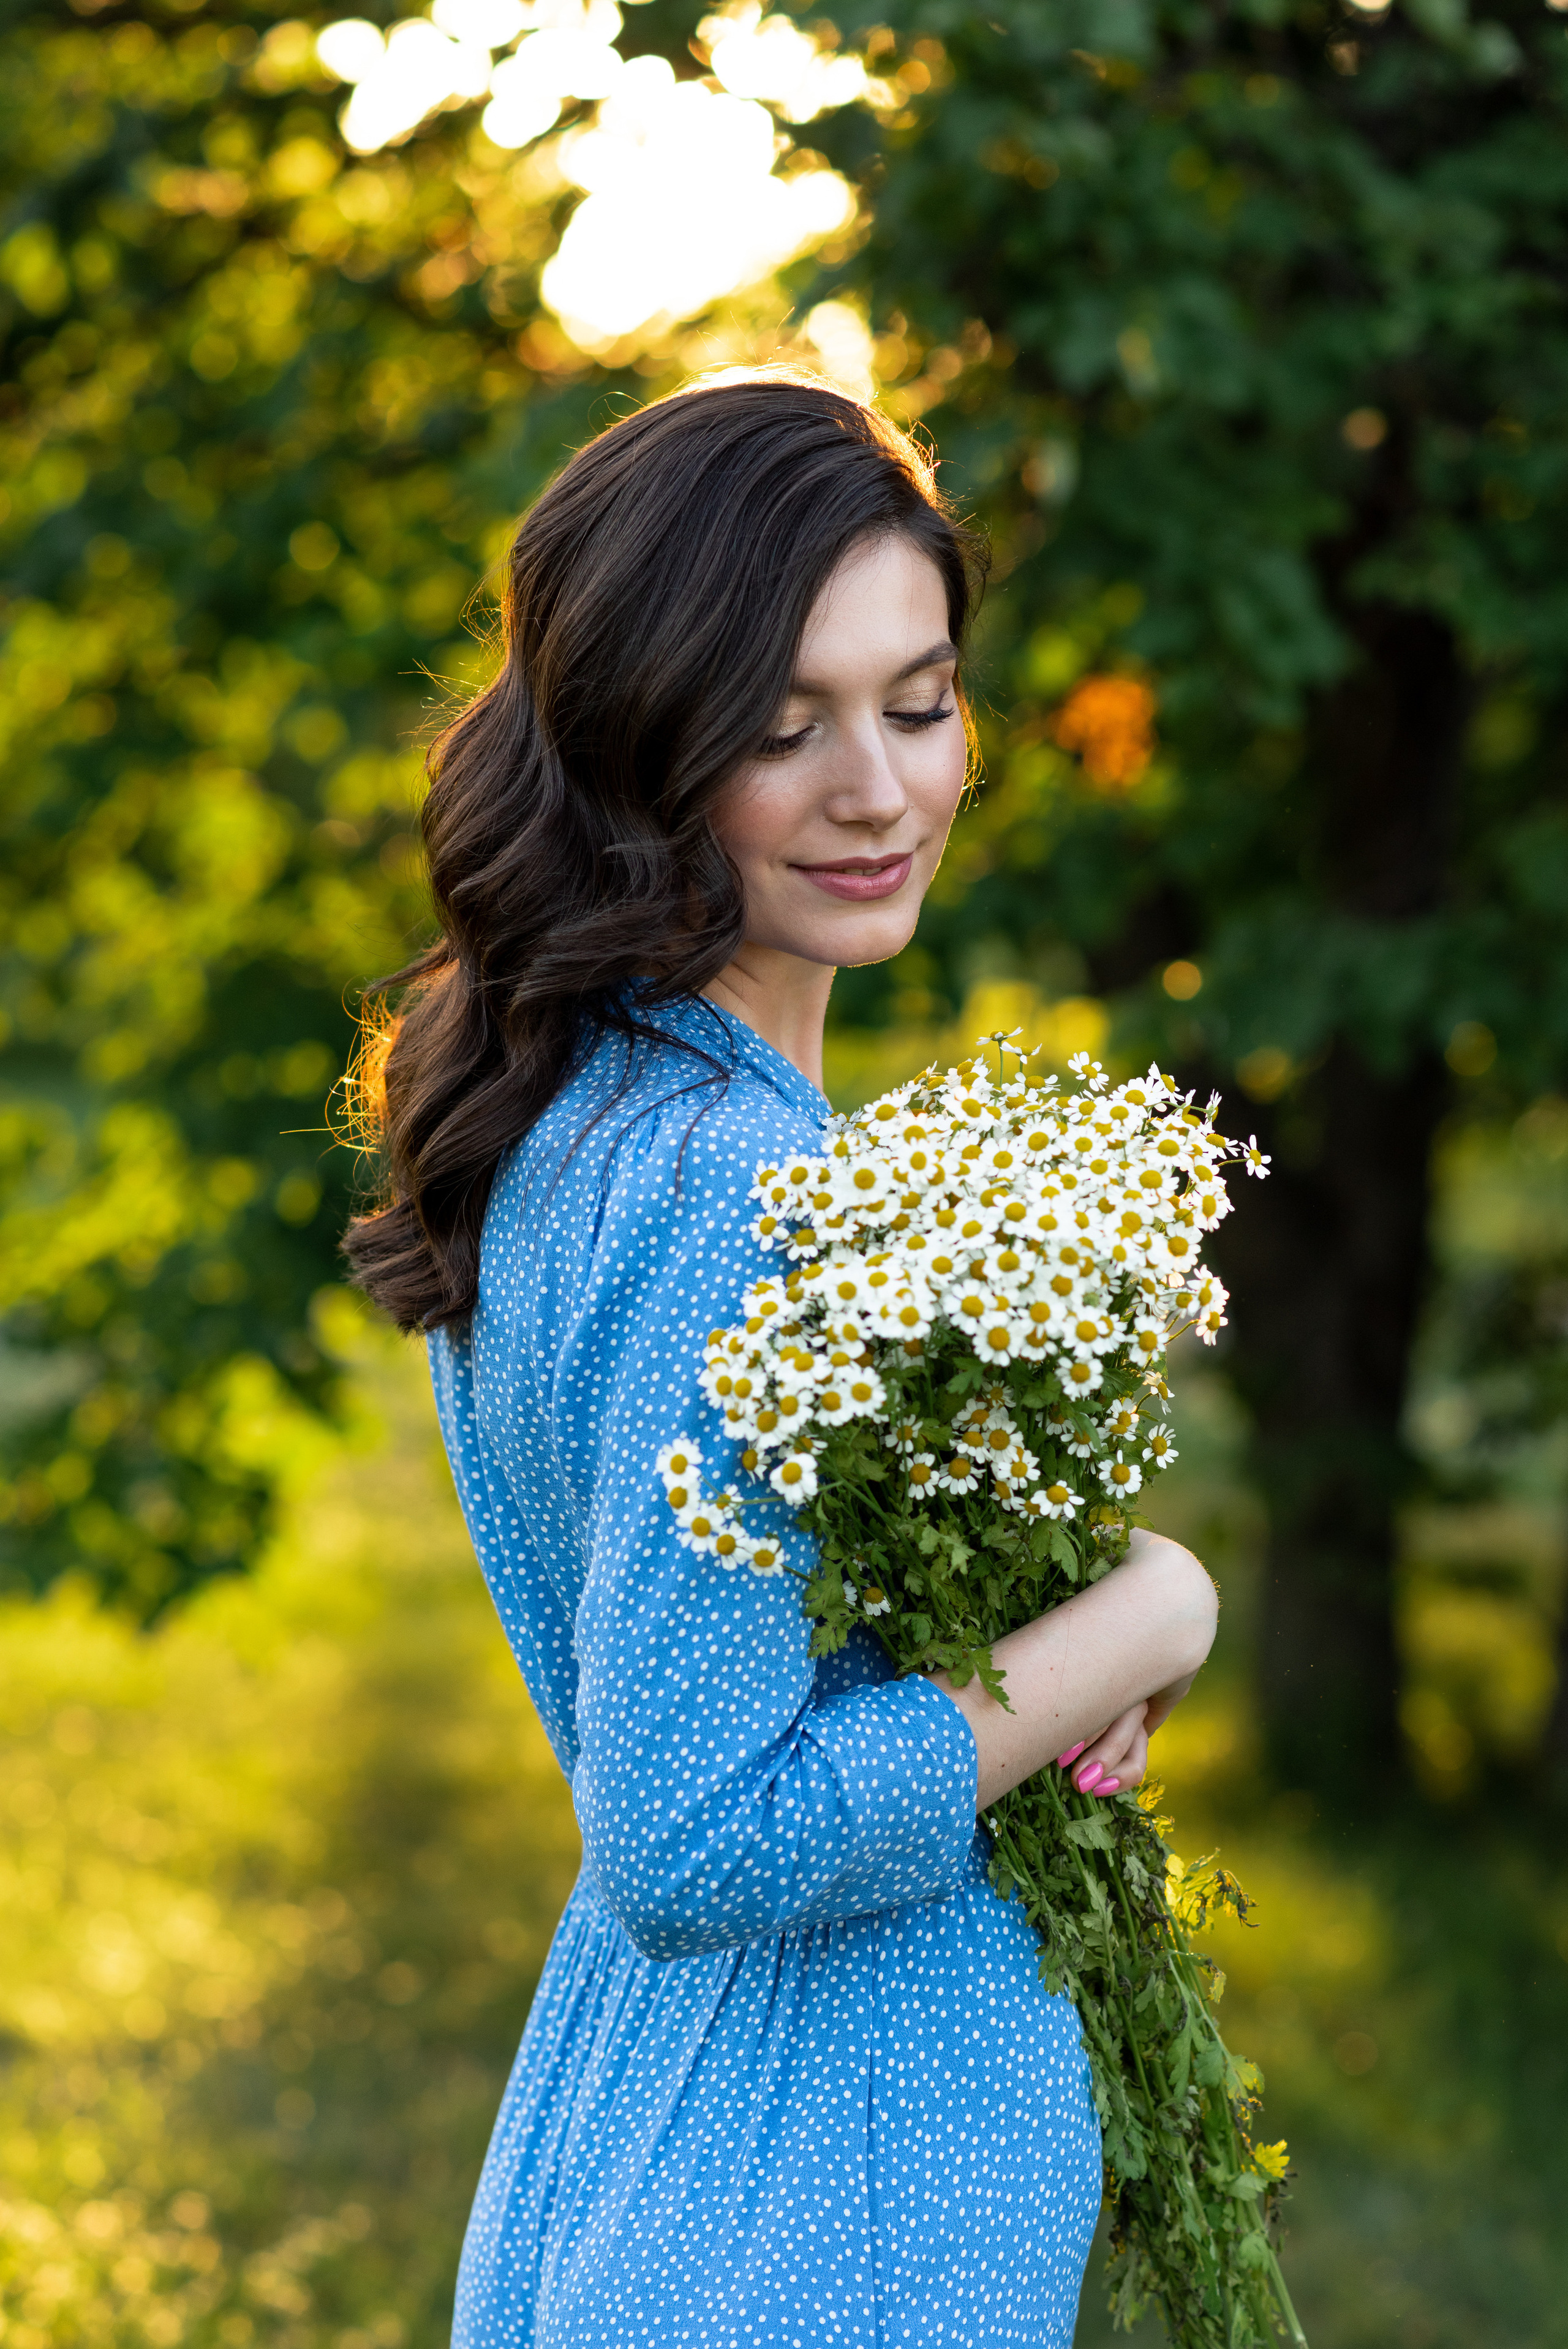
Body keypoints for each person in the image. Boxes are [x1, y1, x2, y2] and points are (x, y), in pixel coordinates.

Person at [343, 374, 1218, 2349]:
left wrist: (1019, 1661)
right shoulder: (733, 1184)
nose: (880, 789)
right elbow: (695, 1826)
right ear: (646, 750)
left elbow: (732, 1680)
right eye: (777, 727)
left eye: (918, 703)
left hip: (696, 2160)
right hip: (812, 2223)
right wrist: (1148, 1610)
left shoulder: (598, 1109)